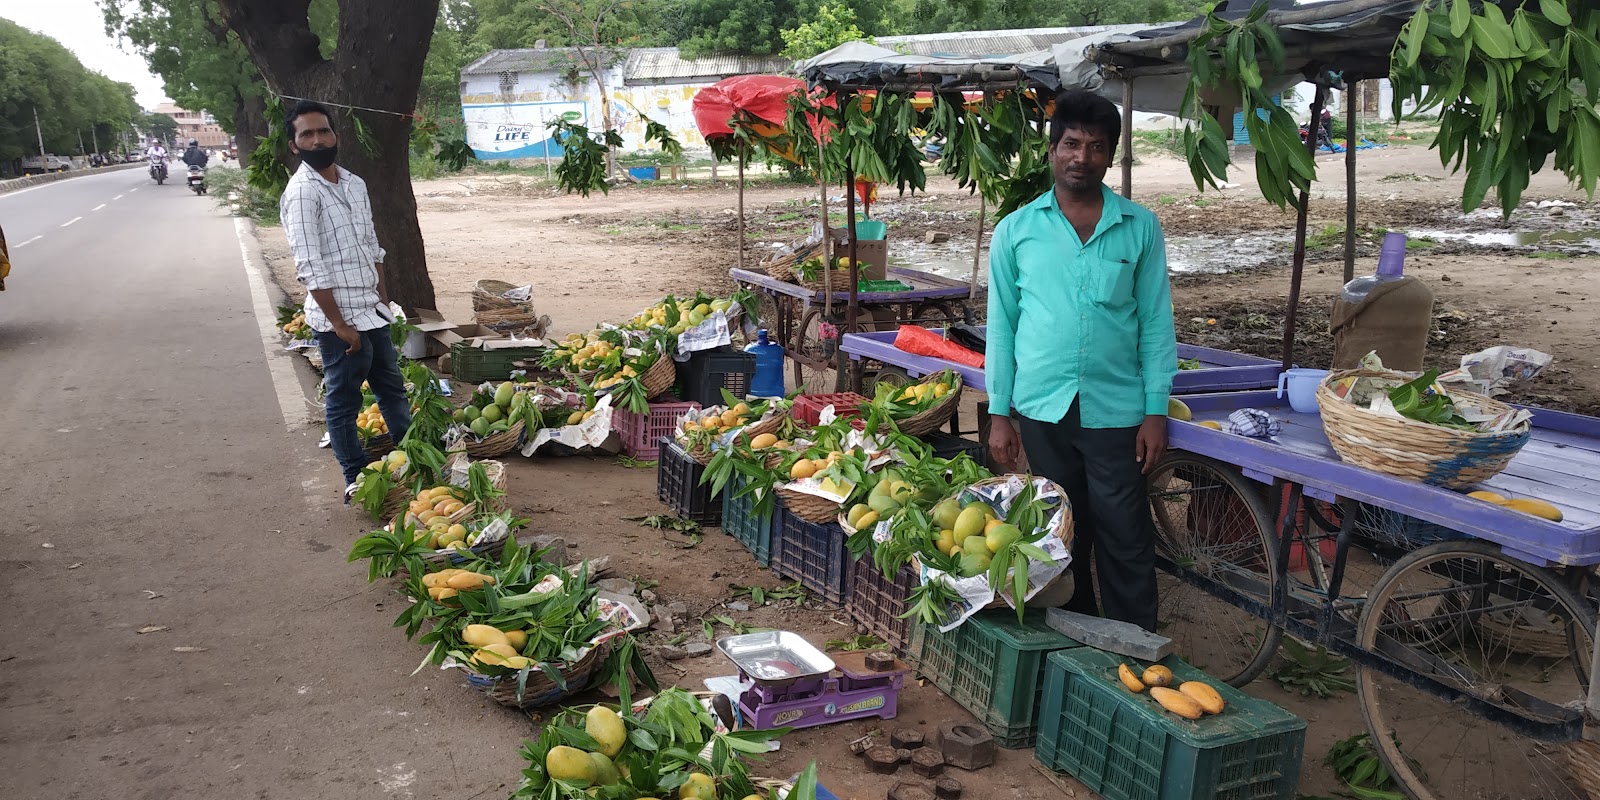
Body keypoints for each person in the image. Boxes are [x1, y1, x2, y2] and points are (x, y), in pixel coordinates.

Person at [985, 90, 1178, 632]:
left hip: (1117, 411)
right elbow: (1002, 327)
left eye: (1096, 147)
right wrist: (1000, 412)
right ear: (1051, 151)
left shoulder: (1139, 227)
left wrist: (1155, 409)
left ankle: (1135, 641)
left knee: (1125, 532)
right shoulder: (1017, 231)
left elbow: (1156, 324)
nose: (1082, 157)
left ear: (1110, 155)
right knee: (1062, 533)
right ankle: (1075, 639)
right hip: (1043, 407)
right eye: (1071, 143)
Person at [279, 100, 411, 503]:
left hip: (371, 310)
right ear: (294, 145)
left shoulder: (354, 183)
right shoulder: (301, 193)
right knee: (344, 401)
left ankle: (412, 459)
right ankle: (354, 475)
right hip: (340, 321)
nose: (317, 139)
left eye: (323, 131)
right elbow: (310, 265)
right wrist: (338, 324)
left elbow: (373, 247)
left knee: (392, 391)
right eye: (307, 134)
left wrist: (383, 300)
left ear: (336, 135)